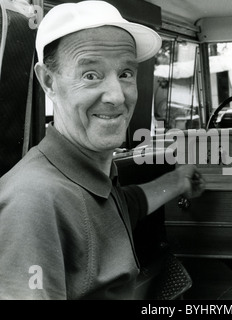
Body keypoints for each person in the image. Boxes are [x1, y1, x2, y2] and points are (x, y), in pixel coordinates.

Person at [0, 1, 205, 300]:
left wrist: (179, 180)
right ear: (48, 81)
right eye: (91, 75)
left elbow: (123, 206)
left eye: (125, 73)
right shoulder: (33, 202)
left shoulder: (89, 176)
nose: (116, 96)